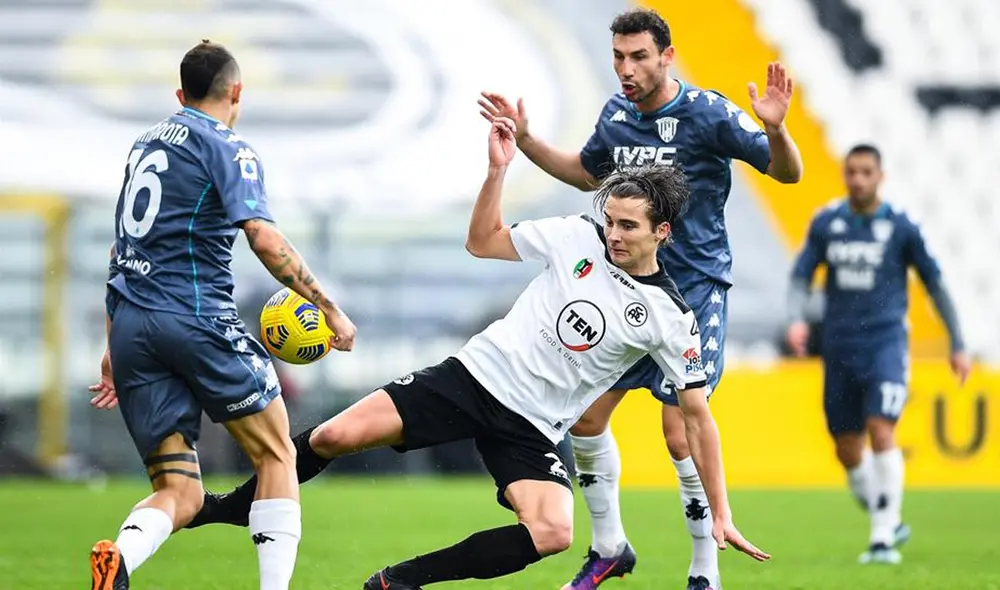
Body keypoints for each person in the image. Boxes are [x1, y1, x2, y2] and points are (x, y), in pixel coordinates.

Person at [185, 117, 770, 588]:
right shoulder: (576, 236)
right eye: (611, 221)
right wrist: (497, 171)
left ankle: (398, 581)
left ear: (661, 232)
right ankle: (227, 507)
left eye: (629, 227)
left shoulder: (671, 317)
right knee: (335, 436)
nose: (613, 234)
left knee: (553, 531)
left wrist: (720, 511)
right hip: (472, 378)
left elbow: (698, 418)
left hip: (533, 425)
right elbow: (482, 242)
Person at [477, 7, 803, 590]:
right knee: (585, 418)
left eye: (638, 57)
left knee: (679, 432)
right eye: (618, 57)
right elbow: (585, 173)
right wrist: (525, 140)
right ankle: (609, 548)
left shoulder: (707, 113)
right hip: (624, 291)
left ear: (667, 57)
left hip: (691, 294)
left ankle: (704, 569)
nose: (626, 69)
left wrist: (776, 130)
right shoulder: (617, 115)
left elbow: (787, 175)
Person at [85, 39, 356, 590]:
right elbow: (263, 236)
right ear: (237, 91)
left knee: (179, 491)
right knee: (276, 453)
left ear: (180, 95)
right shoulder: (229, 148)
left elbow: (122, 249)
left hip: (134, 325)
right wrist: (327, 306)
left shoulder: (145, 144)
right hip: (196, 317)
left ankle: (120, 562)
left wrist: (113, 345)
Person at [785, 143, 970, 565]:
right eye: (852, 172)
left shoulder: (901, 226)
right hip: (839, 346)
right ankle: (888, 516)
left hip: (885, 343)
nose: (858, 180)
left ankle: (882, 538)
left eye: (866, 172)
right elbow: (800, 275)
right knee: (846, 448)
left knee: (881, 427)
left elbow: (935, 283)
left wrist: (956, 341)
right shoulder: (827, 222)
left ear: (880, 176)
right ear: (844, 174)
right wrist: (795, 319)